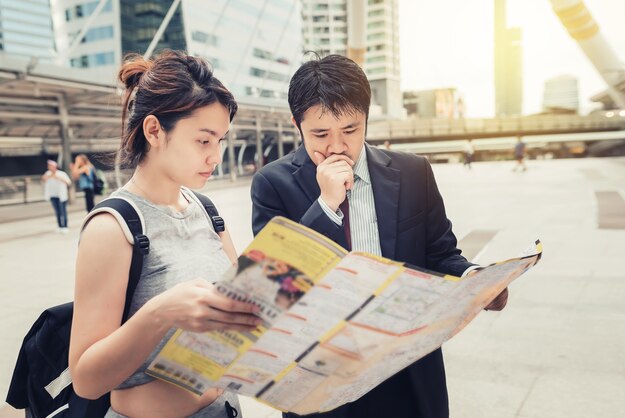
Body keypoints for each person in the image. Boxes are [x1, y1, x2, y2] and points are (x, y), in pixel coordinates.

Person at [250, 54, 508, 418]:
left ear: (367, 120)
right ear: (297, 125)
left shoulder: (413, 171)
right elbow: (275, 282)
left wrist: (475, 280)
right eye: (321, 134)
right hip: (323, 382)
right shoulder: (273, 184)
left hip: (407, 373)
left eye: (351, 130)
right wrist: (326, 204)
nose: (337, 146)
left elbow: (441, 253)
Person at [69, 50, 263, 418]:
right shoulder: (113, 226)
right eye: (204, 141)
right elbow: (86, 379)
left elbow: (240, 316)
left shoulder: (207, 211)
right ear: (155, 130)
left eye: (220, 140)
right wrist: (160, 313)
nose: (216, 156)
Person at [42, 159, 71, 233]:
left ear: (55, 166)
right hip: (53, 195)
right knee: (57, 211)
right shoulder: (48, 173)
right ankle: (59, 226)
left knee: (63, 211)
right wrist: (50, 175)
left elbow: (68, 182)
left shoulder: (61, 173)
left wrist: (57, 177)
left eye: (51, 166)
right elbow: (43, 179)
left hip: (61, 196)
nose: (49, 167)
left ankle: (65, 226)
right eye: (49, 166)